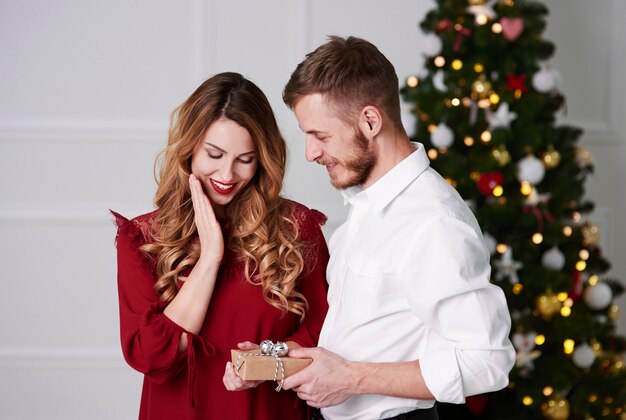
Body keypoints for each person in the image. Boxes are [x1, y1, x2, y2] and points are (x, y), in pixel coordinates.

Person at [281, 36, 516, 420]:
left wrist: (352, 378)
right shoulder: (366, 202)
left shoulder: (434, 222)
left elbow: (487, 361)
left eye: (320, 136)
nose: (310, 153)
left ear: (370, 121)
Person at [112, 72, 329, 420]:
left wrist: (263, 365)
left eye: (245, 159)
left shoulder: (296, 228)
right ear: (189, 147)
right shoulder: (143, 239)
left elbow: (322, 332)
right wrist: (210, 256)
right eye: (214, 154)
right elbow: (150, 357)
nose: (227, 175)